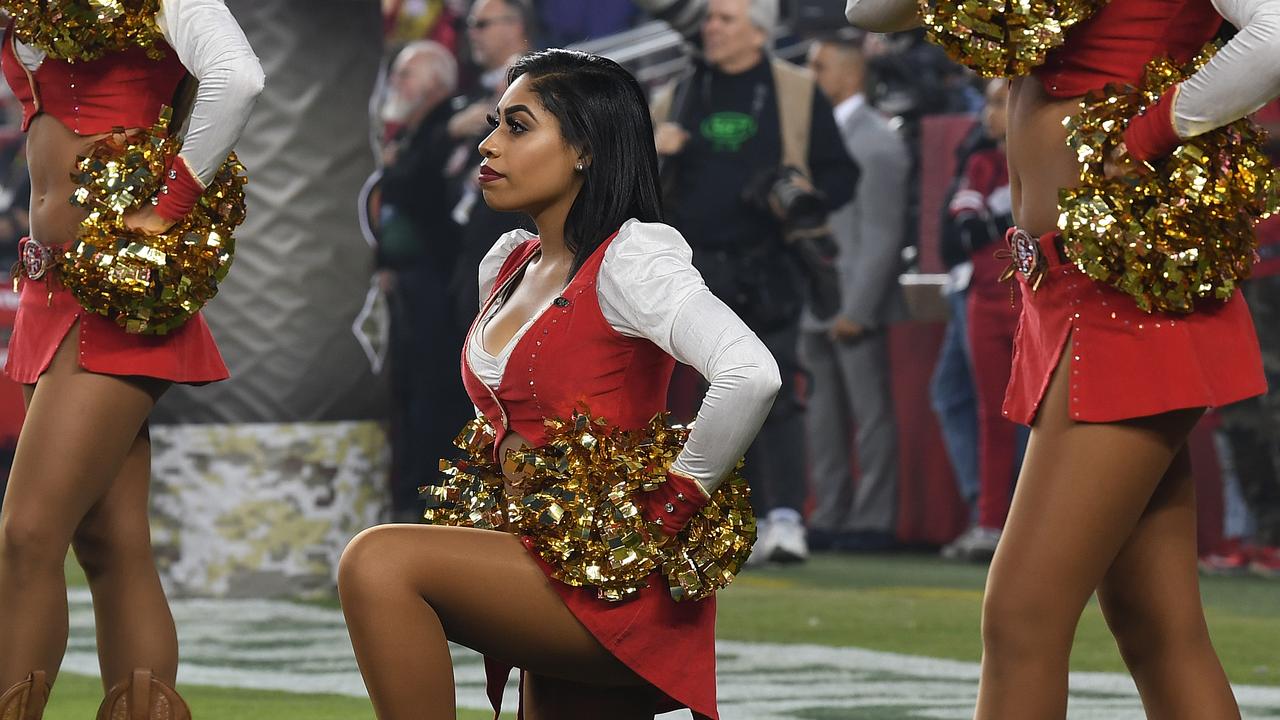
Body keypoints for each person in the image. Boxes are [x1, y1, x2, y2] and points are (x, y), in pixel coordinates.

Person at [847, 0, 1278, 716]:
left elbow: (1269, 33)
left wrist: (1150, 131)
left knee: (1022, 618)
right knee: (1156, 626)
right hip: (1061, 290)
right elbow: (872, 11)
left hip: (1125, 289)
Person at [337, 49, 779, 720]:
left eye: (517, 126)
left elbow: (751, 374)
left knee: (379, 562)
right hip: (542, 561)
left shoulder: (634, 259)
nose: (489, 143)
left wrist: (666, 512)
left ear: (585, 150)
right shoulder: (508, 260)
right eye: (493, 123)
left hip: (609, 583)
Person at [0, 1, 264, 717]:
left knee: (28, 535)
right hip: (48, 285)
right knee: (110, 543)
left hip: (112, 287)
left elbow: (237, 77)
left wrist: (172, 206)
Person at [653, 0, 857, 564]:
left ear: (759, 30)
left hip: (771, 264)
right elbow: (637, 188)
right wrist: (657, 153)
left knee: (776, 390)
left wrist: (798, 193)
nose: (711, 28)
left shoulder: (794, 89)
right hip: (693, 269)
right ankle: (711, 516)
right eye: (710, 19)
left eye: (725, 19)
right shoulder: (682, 92)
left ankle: (786, 515)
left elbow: (842, 175)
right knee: (697, 398)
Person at [799, 35, 908, 552]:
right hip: (816, 297)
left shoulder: (877, 141)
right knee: (821, 417)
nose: (809, 74)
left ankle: (873, 518)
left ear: (850, 74)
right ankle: (832, 512)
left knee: (869, 415)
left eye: (819, 66)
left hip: (851, 300)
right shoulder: (820, 137)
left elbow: (885, 235)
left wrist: (859, 307)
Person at [374, 40, 474, 522]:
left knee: (436, 385)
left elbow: (421, 193)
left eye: (407, 76)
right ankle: (414, 489)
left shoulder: (453, 125)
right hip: (411, 278)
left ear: (435, 82)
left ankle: (436, 493)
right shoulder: (414, 132)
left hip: (439, 276)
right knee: (412, 386)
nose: (397, 85)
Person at [938, 79, 1027, 562]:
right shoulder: (981, 161)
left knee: (1046, 418)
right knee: (992, 416)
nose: (989, 114)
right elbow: (967, 225)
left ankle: (1039, 525)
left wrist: (995, 226)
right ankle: (992, 522)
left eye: (1001, 102)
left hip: (1034, 300)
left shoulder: (1046, 156)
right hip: (986, 300)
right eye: (990, 102)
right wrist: (1001, 225)